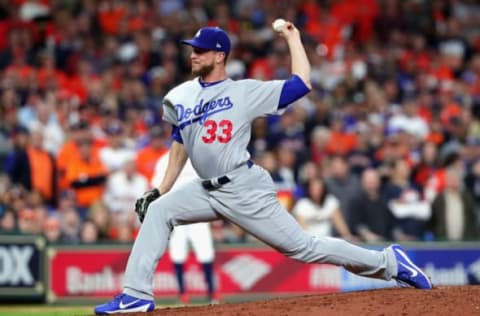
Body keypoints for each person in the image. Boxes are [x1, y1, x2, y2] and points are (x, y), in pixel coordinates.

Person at [95, 23, 432, 315]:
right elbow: (180, 140)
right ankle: (136, 295)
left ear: (219, 56)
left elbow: (301, 84)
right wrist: (162, 189)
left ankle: (390, 262)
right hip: (205, 188)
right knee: (158, 211)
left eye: (200, 50)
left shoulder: (243, 91)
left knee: (303, 247)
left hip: (242, 186)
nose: (193, 55)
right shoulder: (182, 95)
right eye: (192, 49)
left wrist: (292, 38)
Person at [151, 151, 217, 305]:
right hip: (176, 212)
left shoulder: (200, 155)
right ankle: (182, 294)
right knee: (178, 252)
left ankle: (212, 293)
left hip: (200, 211)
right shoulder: (164, 159)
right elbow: (157, 186)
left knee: (205, 250)